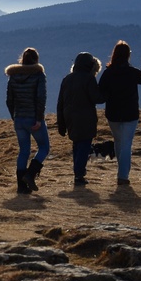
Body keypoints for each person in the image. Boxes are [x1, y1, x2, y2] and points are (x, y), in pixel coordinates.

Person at [97, 40, 141, 186]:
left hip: (113, 114)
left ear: (114, 54)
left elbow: (100, 92)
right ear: (128, 55)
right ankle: (122, 176)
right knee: (126, 144)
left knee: (118, 141)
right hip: (130, 114)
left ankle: (121, 171)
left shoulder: (108, 73)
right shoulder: (132, 72)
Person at [56, 52, 106, 186]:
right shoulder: (89, 79)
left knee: (77, 144)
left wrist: (61, 124)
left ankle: (78, 173)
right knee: (84, 145)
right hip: (85, 117)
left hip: (69, 117)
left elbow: (60, 103)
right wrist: (106, 91)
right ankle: (79, 174)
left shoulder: (67, 79)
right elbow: (97, 98)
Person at [5, 47, 49, 194]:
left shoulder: (13, 76)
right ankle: (30, 175)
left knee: (24, 151)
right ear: (36, 59)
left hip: (19, 118)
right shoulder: (39, 75)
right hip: (33, 118)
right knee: (44, 147)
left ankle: (21, 186)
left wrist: (15, 116)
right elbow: (41, 98)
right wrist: (39, 118)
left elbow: (9, 100)